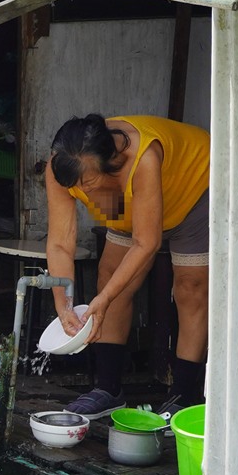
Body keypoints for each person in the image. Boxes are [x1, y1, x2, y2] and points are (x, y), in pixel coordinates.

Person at [43, 113, 211, 417]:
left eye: (89, 184)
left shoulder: (143, 157)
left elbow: (147, 244)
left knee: (191, 288)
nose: (85, 194)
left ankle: (184, 397)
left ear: (111, 159)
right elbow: (59, 243)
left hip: (193, 192)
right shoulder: (63, 168)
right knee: (110, 279)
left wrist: (103, 300)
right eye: (79, 189)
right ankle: (107, 389)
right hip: (122, 193)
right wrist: (63, 304)